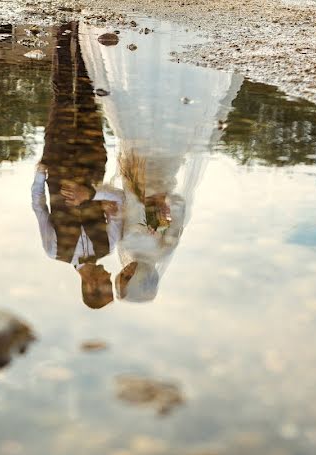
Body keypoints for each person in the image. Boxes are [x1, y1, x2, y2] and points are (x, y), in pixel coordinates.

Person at [77, 22, 244, 302]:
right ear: (143, 279)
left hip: (137, 167)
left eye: (122, 276)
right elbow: (179, 205)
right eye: (128, 278)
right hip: (160, 171)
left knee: (136, 110)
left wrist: (99, 197)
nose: (125, 271)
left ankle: (148, 49)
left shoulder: (126, 245)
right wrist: (161, 202)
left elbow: (121, 201)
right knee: (164, 113)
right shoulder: (160, 248)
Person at [31, 21, 123, 309]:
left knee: (61, 98)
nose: (109, 275)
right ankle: (82, 36)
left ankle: (63, 30)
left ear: (91, 285)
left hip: (56, 166)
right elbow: (121, 200)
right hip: (93, 162)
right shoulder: (109, 246)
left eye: (105, 282)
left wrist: (39, 174)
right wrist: (93, 196)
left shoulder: (54, 250)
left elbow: (39, 207)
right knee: (85, 98)